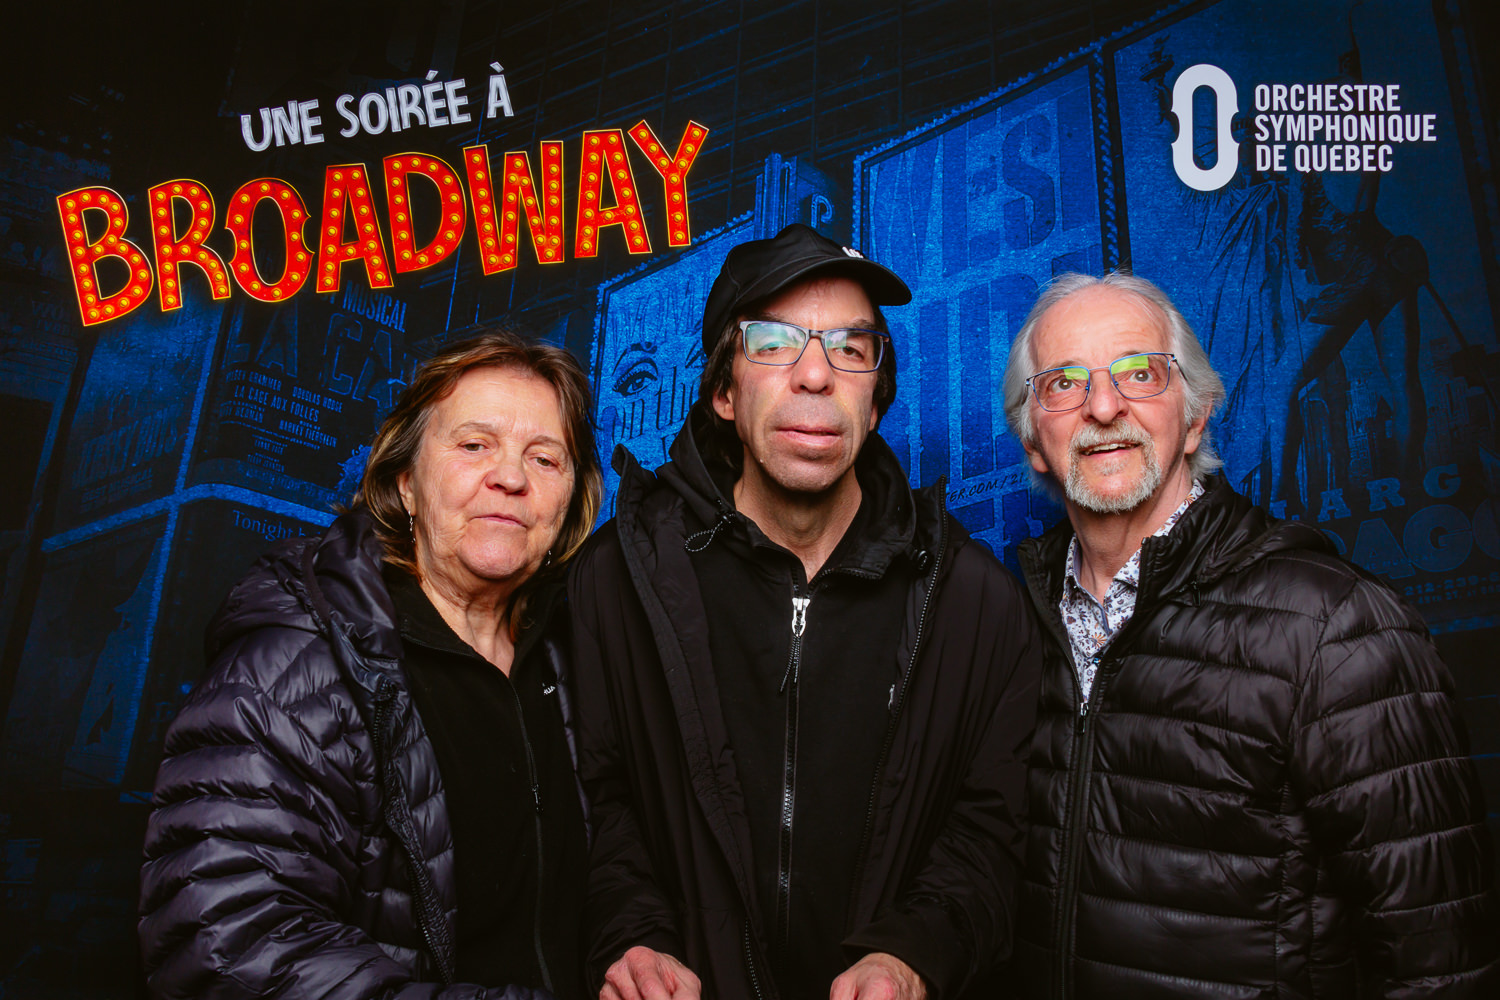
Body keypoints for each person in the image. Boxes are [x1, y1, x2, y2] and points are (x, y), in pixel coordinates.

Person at [568, 223, 1042, 1000]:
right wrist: (633, 934)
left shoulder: (974, 602)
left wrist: (912, 953)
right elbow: (595, 801)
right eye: (774, 343)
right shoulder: (618, 580)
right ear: (724, 392)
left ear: (876, 399)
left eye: (851, 348)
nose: (816, 375)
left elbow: (990, 832)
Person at [1001, 271, 1498, 997]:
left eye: (1139, 373)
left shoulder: (1336, 625)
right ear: (1033, 441)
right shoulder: (1010, 622)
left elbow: (1441, 963)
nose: (1103, 407)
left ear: (1195, 418)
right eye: (1064, 384)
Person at [138, 331, 603, 999]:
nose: (510, 477)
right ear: (406, 483)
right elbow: (228, 945)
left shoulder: (577, 658)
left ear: (571, 498)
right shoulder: (294, 667)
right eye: (474, 445)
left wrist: (638, 942)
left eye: (545, 458)